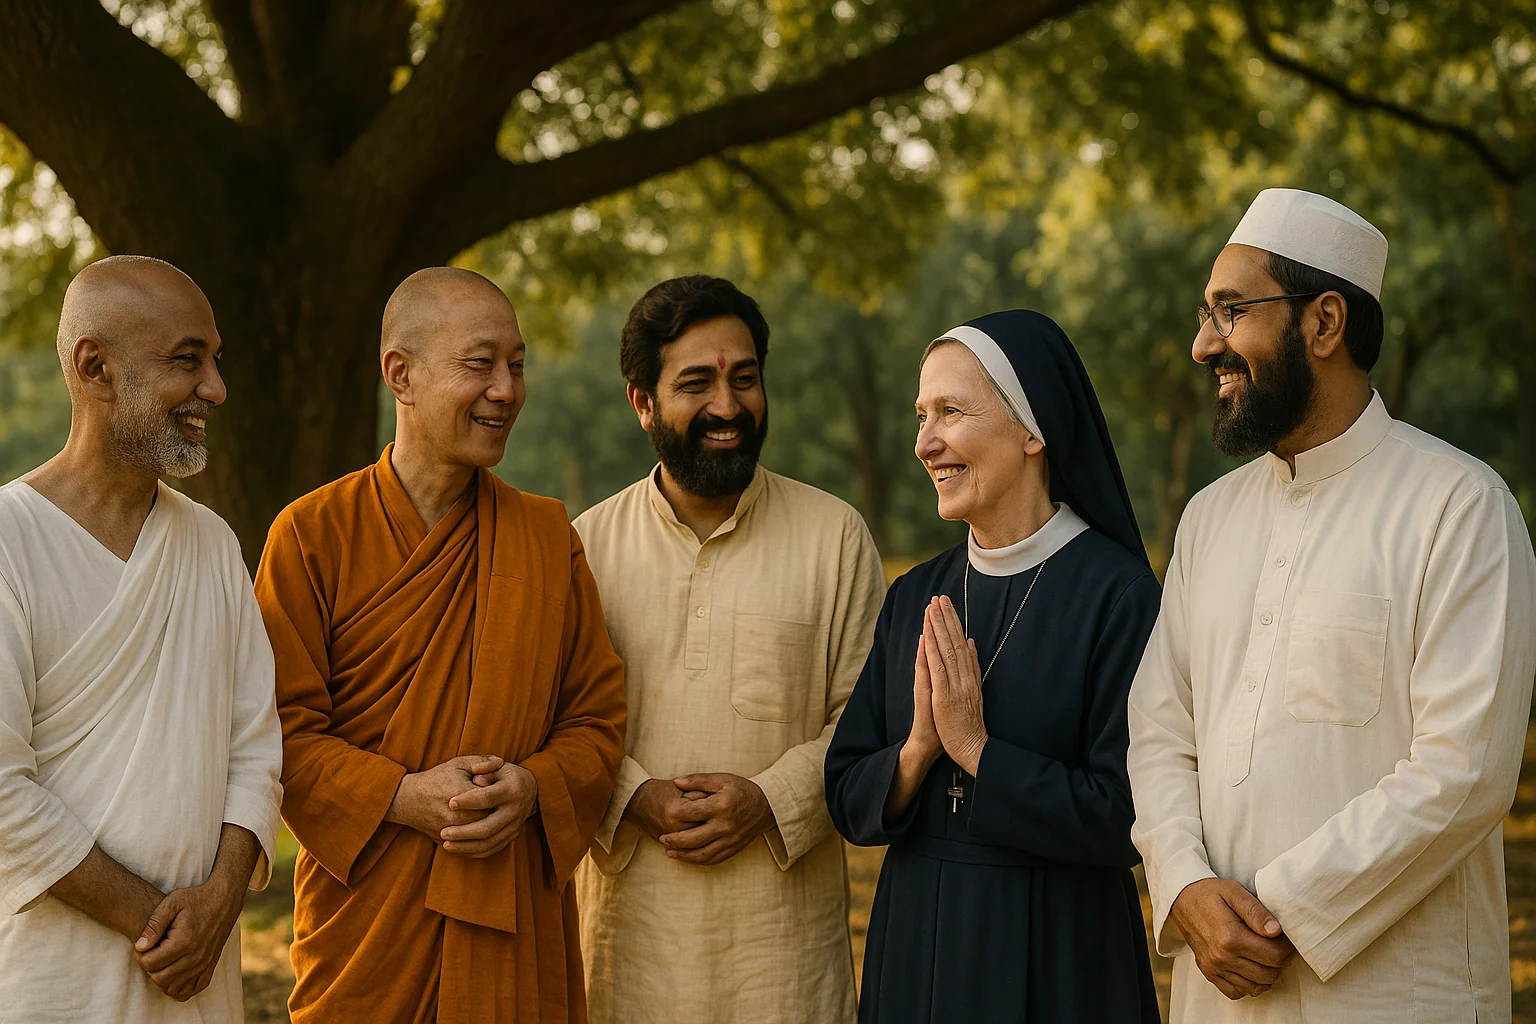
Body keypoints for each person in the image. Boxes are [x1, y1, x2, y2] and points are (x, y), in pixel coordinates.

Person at [1127, 188, 1536, 1022]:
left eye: (1231, 311)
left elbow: (1466, 772)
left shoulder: (1458, 505)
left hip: (1397, 996)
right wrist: (1184, 887)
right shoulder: (1209, 520)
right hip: (1219, 991)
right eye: (1205, 315)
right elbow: (1160, 732)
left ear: (1324, 323)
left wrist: (1280, 910)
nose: (1206, 345)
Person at [255, 267, 627, 1024]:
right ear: (402, 374)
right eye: (479, 363)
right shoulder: (311, 536)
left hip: (511, 914)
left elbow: (597, 722)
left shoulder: (547, 538)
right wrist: (401, 797)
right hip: (366, 928)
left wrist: (531, 787)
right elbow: (273, 733)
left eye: (517, 366)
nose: (506, 390)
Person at [825, 310, 1162, 1023]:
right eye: (920, 416)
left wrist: (978, 751)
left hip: (1060, 956)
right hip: (916, 944)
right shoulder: (915, 593)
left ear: (1034, 430)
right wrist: (919, 748)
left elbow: (1124, 818)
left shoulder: (1118, 595)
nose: (924, 443)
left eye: (950, 411)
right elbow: (849, 795)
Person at [573, 275, 884, 1024]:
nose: (727, 406)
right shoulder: (583, 546)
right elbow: (556, 723)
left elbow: (871, 724)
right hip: (624, 954)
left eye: (745, 379)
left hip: (783, 964)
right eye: (696, 383)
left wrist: (768, 799)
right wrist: (635, 797)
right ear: (641, 402)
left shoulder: (834, 537)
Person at [0, 255, 284, 1021]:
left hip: (201, 981)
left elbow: (256, 749)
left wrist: (222, 901)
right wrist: (155, 925)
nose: (216, 389)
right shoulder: (7, 542)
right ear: (95, 369)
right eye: (187, 361)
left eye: (215, 361)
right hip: (53, 982)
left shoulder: (212, 544)